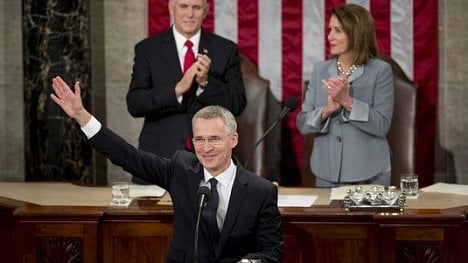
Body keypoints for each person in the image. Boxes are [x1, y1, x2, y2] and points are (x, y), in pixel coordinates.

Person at [50, 76, 282, 262]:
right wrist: (82, 117)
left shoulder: (260, 191)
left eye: (214, 139)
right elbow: (129, 156)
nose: (206, 148)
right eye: (199, 139)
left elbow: (271, 252)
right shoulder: (181, 169)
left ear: (233, 140)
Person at [126, 0, 247, 185]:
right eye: (183, 6)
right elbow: (135, 103)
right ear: (171, 8)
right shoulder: (148, 50)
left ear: (205, 11)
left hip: (210, 159)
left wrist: (206, 83)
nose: (189, 14)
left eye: (196, 8)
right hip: (158, 158)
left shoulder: (225, 50)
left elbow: (237, 104)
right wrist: (177, 90)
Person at [296, 4, 394, 187]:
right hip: (326, 172)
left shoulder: (380, 71)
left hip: (369, 174)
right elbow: (303, 124)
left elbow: (382, 125)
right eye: (330, 30)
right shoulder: (319, 70)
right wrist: (326, 110)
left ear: (356, 33)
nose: (329, 37)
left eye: (337, 30)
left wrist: (348, 102)